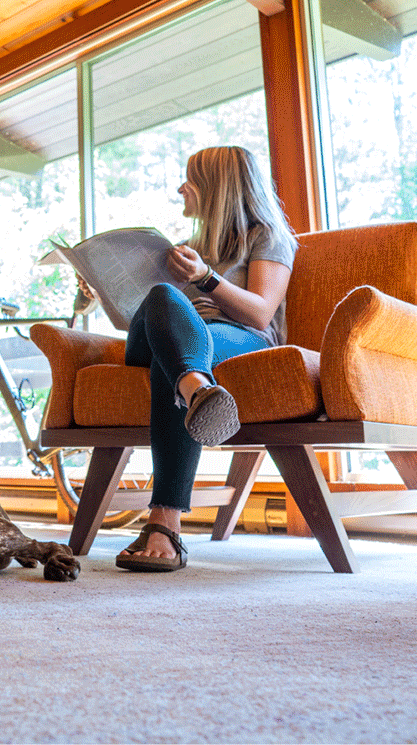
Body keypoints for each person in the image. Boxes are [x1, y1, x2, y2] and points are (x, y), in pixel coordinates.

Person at [113, 145, 297, 572]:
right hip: (174, 336)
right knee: (163, 298)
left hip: (237, 336)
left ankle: (165, 522)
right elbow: (134, 320)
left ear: (218, 187)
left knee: (172, 358)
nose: (181, 187)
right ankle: (198, 389)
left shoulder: (265, 235)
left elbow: (261, 312)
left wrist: (206, 278)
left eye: (190, 179)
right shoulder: (183, 247)